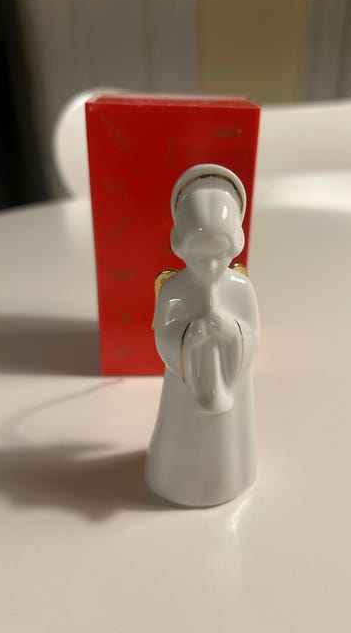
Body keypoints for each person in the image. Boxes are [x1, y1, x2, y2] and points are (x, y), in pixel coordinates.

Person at [145, 164, 260, 506]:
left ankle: (231, 478)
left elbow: (253, 333)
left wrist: (233, 333)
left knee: (229, 437)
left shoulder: (240, 287)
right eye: (199, 253)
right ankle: (179, 477)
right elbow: (163, 336)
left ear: (236, 245)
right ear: (179, 245)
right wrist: (186, 341)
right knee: (182, 428)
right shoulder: (174, 291)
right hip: (186, 387)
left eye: (220, 254)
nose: (210, 264)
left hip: (231, 385)